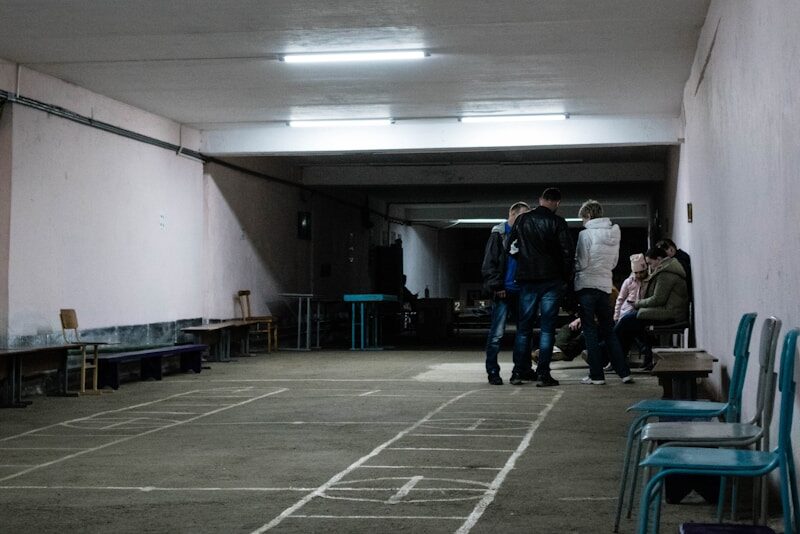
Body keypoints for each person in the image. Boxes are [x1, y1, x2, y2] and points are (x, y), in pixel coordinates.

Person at [507, 187, 574, 387]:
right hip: (551, 281)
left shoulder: (522, 220)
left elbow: (511, 247)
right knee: (546, 329)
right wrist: (565, 278)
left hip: (527, 279)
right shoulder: (558, 222)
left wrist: (523, 262)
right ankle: (543, 374)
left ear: (540, 199)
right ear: (557, 203)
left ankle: (518, 372)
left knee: (523, 329)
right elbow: (567, 253)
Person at [573, 200, 633, 385]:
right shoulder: (614, 233)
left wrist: (573, 270)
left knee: (590, 331)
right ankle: (624, 373)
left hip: (586, 286)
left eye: (583, 218)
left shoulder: (585, 234)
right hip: (605, 286)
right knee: (609, 331)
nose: (582, 221)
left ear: (588, 215)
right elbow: (614, 262)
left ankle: (596, 375)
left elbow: (581, 262)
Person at [614, 246, 689, 370]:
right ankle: (615, 357)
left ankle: (609, 354)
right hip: (670, 311)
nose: (650, 266)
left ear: (659, 259)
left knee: (627, 322)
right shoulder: (666, 270)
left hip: (670, 313)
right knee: (629, 324)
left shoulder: (666, 274)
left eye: (650, 263)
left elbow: (658, 299)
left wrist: (638, 304)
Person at [481, 201, 530, 385]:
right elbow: (489, 263)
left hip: (522, 291)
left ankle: (522, 370)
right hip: (503, 291)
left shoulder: (526, 235)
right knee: (496, 334)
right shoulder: (499, 234)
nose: (524, 220)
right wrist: (497, 286)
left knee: (523, 333)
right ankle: (493, 371)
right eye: (521, 215)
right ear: (512, 213)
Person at [656, 238, 694, 346]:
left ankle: (663, 351)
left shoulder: (677, 264)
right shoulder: (681, 260)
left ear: (672, 249)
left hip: (678, 307)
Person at [614, 253, 649, 322]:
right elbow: (620, 299)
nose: (638, 275)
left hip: (641, 313)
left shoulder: (649, 281)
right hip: (626, 312)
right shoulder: (628, 281)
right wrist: (616, 317)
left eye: (641, 272)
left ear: (646, 270)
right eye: (636, 273)